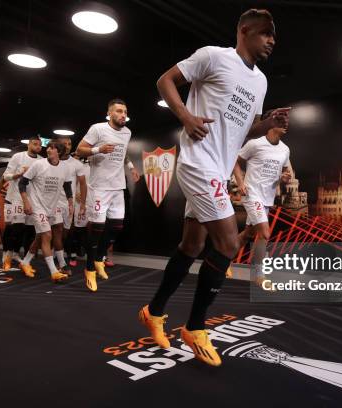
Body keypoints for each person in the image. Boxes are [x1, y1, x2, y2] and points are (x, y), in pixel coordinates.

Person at [138, 9, 289, 366]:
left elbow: (244, 130)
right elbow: (165, 81)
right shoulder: (213, 56)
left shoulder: (261, 82)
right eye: (266, 34)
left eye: (274, 38)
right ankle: (195, 326)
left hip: (218, 170)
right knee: (228, 243)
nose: (270, 41)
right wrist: (185, 116)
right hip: (197, 161)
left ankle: (154, 311)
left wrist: (267, 122)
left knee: (192, 245)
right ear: (245, 30)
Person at [76, 98, 140, 292]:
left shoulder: (127, 132)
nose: (123, 115)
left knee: (117, 226)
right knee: (97, 228)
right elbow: (79, 150)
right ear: (110, 113)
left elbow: (122, 153)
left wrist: (130, 166)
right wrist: (98, 149)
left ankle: (99, 258)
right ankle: (89, 270)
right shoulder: (98, 129)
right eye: (119, 111)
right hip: (99, 187)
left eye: (125, 112)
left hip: (117, 186)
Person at [233, 109, 291, 286]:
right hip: (252, 194)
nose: (286, 123)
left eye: (287, 121)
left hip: (267, 198)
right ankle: (259, 277)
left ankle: (221, 260)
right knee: (264, 233)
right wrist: (241, 182)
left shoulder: (285, 149)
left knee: (248, 234)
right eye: (281, 120)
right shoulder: (254, 144)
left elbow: (288, 171)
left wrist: (286, 177)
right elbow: (235, 161)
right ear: (270, 123)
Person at [19, 142, 82, 282]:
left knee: (41, 236)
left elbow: (67, 185)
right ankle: (54, 271)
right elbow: (22, 182)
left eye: (52, 148)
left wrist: (70, 202)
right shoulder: (39, 164)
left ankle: (25, 262)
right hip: (37, 206)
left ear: (58, 152)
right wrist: (26, 201)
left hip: (53, 206)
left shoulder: (64, 168)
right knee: (47, 234)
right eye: (48, 147)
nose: (48, 150)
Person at [1, 136, 42, 276]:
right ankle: (7, 255)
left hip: (33, 199)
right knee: (16, 228)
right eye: (35, 144)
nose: (38, 147)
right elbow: (6, 176)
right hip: (17, 197)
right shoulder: (18, 157)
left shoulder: (41, 161)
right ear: (29, 144)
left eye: (40, 145)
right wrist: (19, 174)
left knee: (30, 231)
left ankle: (23, 259)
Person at [51, 136, 87, 276]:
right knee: (58, 230)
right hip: (53, 203)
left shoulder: (77, 164)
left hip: (69, 203)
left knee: (65, 233)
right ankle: (62, 264)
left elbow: (83, 184)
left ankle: (54, 252)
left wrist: (82, 203)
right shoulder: (51, 161)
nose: (67, 145)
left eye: (70, 143)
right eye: (64, 143)